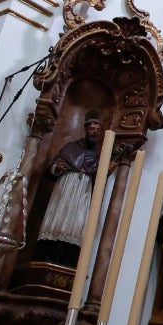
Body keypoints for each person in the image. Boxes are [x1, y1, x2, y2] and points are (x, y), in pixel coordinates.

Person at [33, 111, 104, 268]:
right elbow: (52, 167)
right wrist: (57, 168)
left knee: (77, 224)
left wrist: (106, 170)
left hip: (84, 190)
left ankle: (67, 262)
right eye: (92, 129)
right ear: (86, 129)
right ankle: (45, 258)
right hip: (66, 186)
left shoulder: (99, 155)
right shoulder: (70, 147)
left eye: (98, 131)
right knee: (58, 219)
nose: (95, 133)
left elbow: (99, 177)